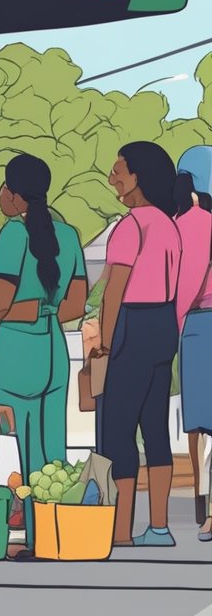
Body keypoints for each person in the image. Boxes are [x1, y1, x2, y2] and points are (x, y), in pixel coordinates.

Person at [0, 154, 88, 560]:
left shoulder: (12, 233)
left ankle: (10, 536)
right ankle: (50, 537)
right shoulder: (69, 233)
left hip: (16, 350)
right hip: (53, 351)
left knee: (5, 445)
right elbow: (76, 303)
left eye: (4, 186)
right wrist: (45, 311)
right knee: (48, 450)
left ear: (13, 195)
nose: (0, 193)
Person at [92, 141, 181, 547]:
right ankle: (159, 527)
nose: (112, 179)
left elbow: (114, 292)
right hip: (163, 326)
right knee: (155, 430)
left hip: (131, 324)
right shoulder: (169, 225)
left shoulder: (129, 226)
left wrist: (105, 344)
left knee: (116, 431)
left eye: (118, 171)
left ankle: (121, 531)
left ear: (137, 177)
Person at [173, 146, 212, 541]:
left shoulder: (195, 221)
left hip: (203, 324)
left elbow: (187, 283)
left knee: (201, 424)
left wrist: (172, 324)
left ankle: (207, 510)